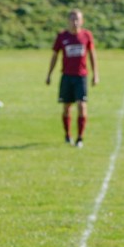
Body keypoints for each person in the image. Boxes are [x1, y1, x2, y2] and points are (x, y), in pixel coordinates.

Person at [46, 9, 98, 148]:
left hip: (81, 77)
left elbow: (92, 55)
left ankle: (80, 138)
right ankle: (68, 135)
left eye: (77, 19)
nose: (75, 22)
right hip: (67, 77)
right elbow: (55, 56)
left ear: (82, 21)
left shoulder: (86, 35)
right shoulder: (62, 37)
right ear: (68, 21)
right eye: (72, 19)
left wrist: (95, 74)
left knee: (82, 105)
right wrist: (49, 74)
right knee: (66, 107)